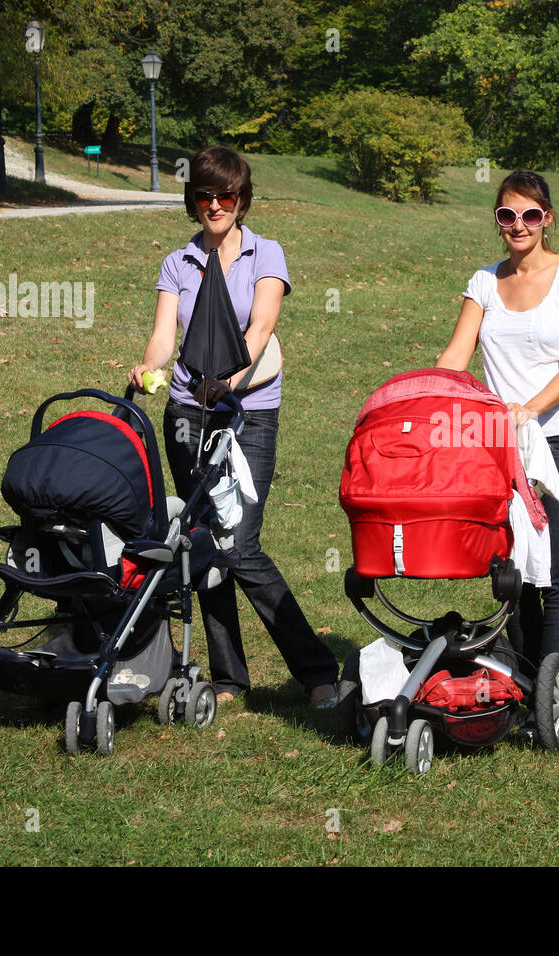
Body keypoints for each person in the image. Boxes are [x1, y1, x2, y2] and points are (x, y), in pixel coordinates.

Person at [129, 146, 337, 708]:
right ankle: (227, 678)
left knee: (240, 542)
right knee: (203, 543)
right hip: (188, 412)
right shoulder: (179, 262)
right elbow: (163, 334)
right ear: (193, 200)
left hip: (248, 412)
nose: (215, 205)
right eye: (204, 195)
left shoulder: (266, 254)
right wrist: (149, 365)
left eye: (227, 196)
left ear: (242, 200)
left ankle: (317, 669)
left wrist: (228, 378)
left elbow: (262, 325)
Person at [436, 170, 559, 680]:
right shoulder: (484, 281)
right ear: (498, 221)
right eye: (508, 215)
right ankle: (527, 684)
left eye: (530, 215)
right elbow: (456, 356)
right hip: (498, 447)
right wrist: (423, 397)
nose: (519, 225)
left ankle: (555, 690)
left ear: (547, 219)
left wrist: (525, 410)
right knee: (513, 574)